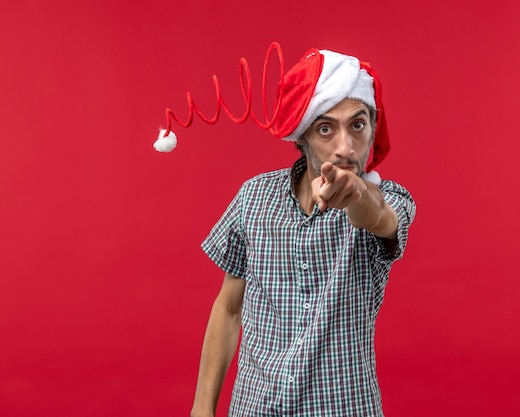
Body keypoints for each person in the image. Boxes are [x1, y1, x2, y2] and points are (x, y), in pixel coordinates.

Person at [158, 45, 416, 417]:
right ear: (301, 137)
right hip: (254, 406)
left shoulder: (391, 198)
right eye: (326, 128)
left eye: (357, 125)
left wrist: (358, 193)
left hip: (342, 407)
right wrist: (202, 409)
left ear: (373, 127)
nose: (346, 148)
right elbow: (229, 309)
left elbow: (377, 216)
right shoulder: (253, 198)